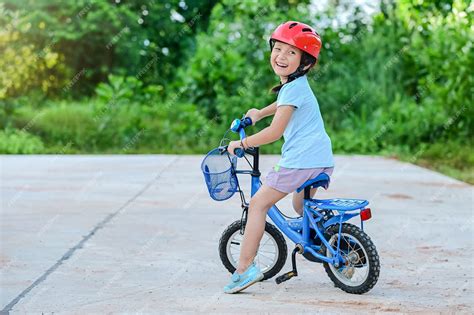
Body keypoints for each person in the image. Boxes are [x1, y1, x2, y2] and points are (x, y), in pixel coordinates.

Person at [224, 21, 335, 294]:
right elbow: (283, 104)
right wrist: (258, 113)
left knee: (258, 205)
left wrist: (243, 143)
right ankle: (327, 237)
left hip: (299, 161)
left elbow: (275, 133)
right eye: (278, 49)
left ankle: (245, 268)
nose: (281, 57)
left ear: (305, 63)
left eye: (291, 53)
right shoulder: (295, 86)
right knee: (301, 206)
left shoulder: (293, 88)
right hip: (321, 158)